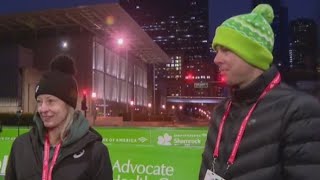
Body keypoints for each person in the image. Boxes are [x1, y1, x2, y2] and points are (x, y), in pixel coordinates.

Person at [199, 4, 320, 180]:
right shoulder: (221, 112)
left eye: (226, 50)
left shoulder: (299, 111)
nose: (217, 59)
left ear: (253, 54)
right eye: (216, 51)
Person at [5, 55, 113, 180]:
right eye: (39, 102)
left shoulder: (95, 152)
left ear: (68, 105)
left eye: (50, 101)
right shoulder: (21, 146)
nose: (42, 109)